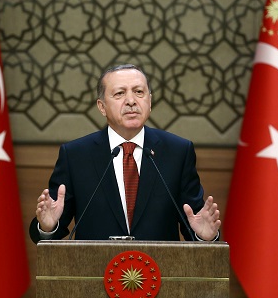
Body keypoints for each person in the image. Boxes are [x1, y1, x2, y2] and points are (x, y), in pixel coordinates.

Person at [29, 64, 221, 243]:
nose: (131, 101)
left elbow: (194, 221)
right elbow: (51, 226)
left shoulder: (178, 152)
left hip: (159, 274)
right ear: (102, 107)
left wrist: (203, 236)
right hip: (94, 274)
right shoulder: (76, 155)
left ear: (150, 101)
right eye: (120, 93)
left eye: (139, 92)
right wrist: (48, 226)